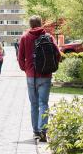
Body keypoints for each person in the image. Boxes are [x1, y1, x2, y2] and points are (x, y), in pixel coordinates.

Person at [18, 15, 61, 143]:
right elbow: (58, 54)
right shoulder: (49, 37)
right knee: (44, 103)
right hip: (45, 75)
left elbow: (20, 58)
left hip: (31, 76)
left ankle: (36, 131)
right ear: (41, 24)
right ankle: (43, 131)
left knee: (34, 104)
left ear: (30, 24)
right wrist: (50, 66)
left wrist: (25, 69)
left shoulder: (25, 37)